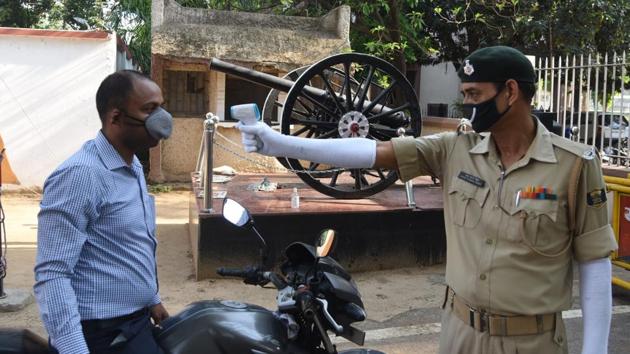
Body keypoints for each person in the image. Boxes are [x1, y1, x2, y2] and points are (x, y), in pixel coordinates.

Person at [237, 46, 618, 354]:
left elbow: (595, 263)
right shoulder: (455, 150)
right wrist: (281, 143)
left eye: (475, 95)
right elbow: (373, 152)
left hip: (530, 342)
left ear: (511, 92)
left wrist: (596, 350)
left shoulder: (574, 166)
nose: (467, 106)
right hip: (459, 334)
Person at [34, 70, 173, 354]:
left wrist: (151, 299)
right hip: (101, 335)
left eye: (161, 107)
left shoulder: (131, 165)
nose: (162, 120)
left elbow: (128, 244)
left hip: (135, 322)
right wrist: (74, 350)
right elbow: (53, 274)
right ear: (115, 117)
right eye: (149, 110)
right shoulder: (81, 175)